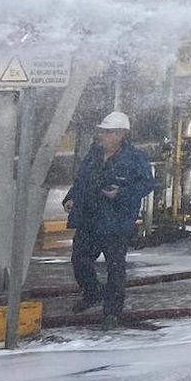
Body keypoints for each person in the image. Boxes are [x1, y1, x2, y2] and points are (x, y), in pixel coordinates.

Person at [62, 111, 156, 325]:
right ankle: (92, 293)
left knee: (115, 267)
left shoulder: (135, 158)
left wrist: (121, 194)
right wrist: (71, 198)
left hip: (116, 221)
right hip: (90, 217)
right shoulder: (94, 154)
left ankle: (112, 310)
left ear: (122, 134)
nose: (102, 136)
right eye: (102, 131)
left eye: (108, 132)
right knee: (80, 259)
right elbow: (82, 180)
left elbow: (147, 184)